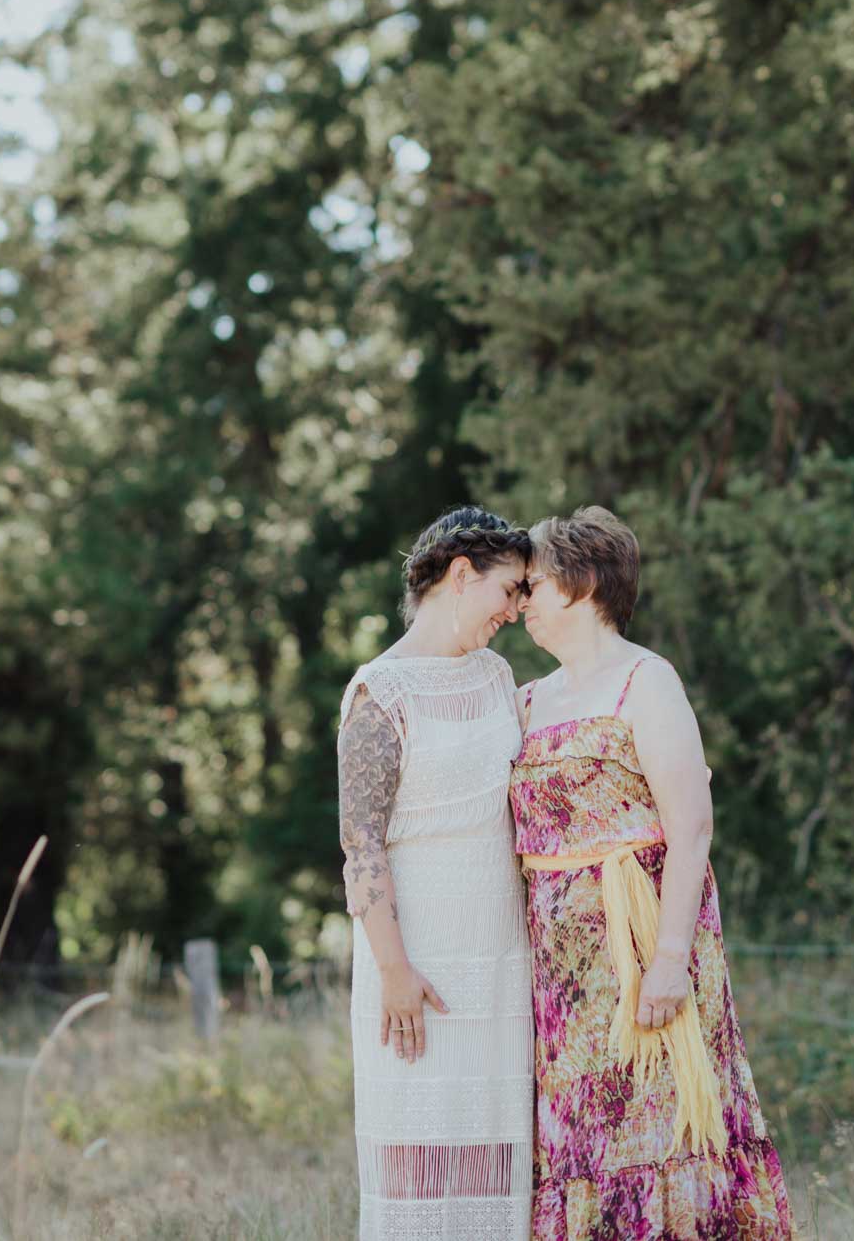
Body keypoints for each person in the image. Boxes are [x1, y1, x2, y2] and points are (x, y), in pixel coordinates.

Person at [510, 505, 797, 1240]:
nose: (519, 602)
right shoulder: (529, 700)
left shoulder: (646, 680)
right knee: (578, 1139)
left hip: (642, 946)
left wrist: (669, 961)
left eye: (532, 583)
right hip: (560, 969)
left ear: (579, 585)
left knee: (658, 1121)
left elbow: (692, 826)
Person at [338, 506, 534, 1240]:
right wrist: (394, 970)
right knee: (419, 1166)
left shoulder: (496, 676)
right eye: (508, 590)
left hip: (501, 959)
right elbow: (361, 844)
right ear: (461, 575)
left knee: (496, 1165)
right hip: (413, 964)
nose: (515, 611)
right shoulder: (379, 693)